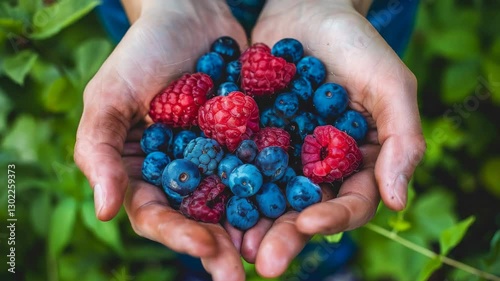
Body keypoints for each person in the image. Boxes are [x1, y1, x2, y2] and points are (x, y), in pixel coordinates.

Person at [74, 0, 426, 280]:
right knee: (203, 231)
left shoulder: (275, 123)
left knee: (317, 215)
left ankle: (325, 267)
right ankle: (200, 266)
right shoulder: (218, 139)